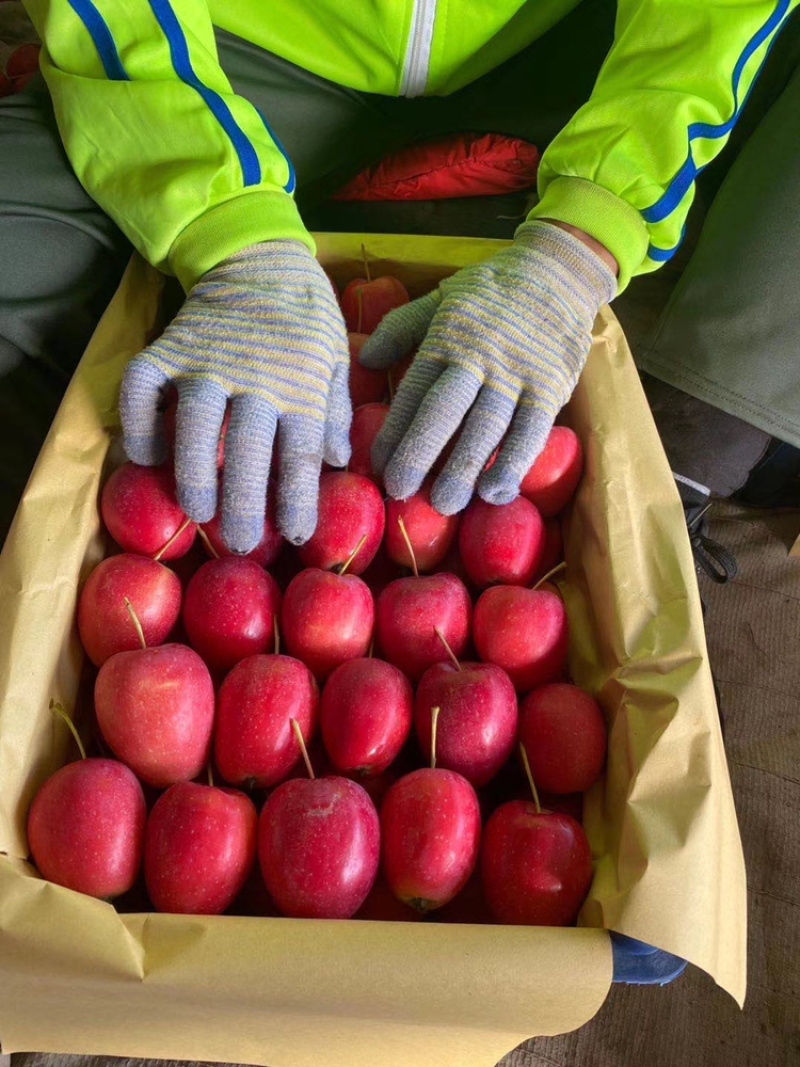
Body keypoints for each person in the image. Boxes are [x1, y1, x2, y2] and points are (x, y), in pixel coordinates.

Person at [2, 0, 798, 556]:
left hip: (580, 45)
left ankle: (686, 454)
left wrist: (588, 233)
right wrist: (230, 236)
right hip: (242, 43)